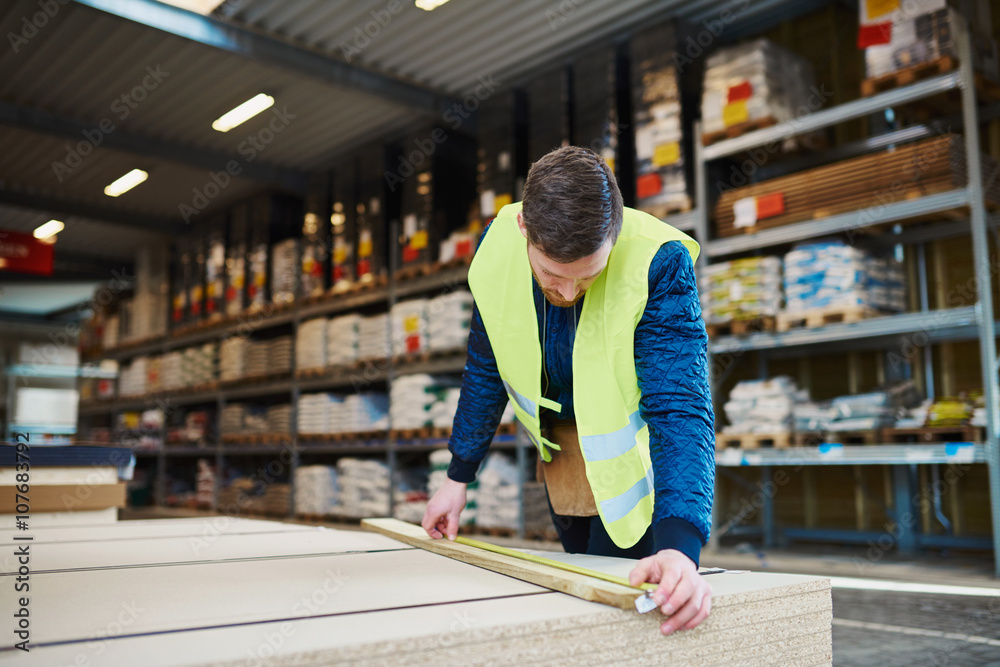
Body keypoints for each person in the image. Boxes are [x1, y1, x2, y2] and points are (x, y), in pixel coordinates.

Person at [421, 145, 715, 634]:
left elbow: (679, 406)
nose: (568, 293)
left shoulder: (659, 262)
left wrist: (680, 547)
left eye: (588, 276)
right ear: (524, 231)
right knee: (579, 605)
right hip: (562, 469)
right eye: (551, 275)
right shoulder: (496, 249)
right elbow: (486, 365)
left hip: (633, 481)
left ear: (614, 234)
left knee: (619, 624)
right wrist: (458, 476)